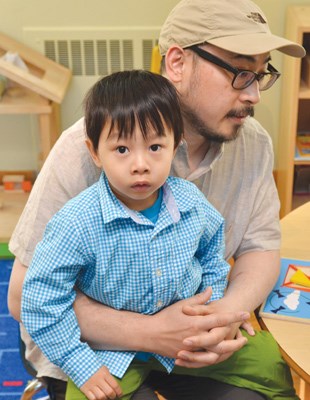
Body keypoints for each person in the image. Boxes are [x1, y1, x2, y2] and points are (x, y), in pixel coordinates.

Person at [7, 0, 305, 399]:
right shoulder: (80, 149)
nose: (253, 95)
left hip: (193, 337)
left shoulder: (253, 143)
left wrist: (220, 315)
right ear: (178, 63)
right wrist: (152, 332)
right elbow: (23, 294)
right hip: (88, 346)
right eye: (239, 72)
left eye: (262, 73)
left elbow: (260, 249)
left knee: (266, 384)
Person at [21, 69, 234, 400]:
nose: (140, 164)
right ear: (95, 152)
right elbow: (39, 302)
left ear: (175, 144)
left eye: (154, 147)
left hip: (183, 347)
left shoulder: (192, 203)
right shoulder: (76, 222)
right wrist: (81, 364)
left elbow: (212, 256)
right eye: (121, 149)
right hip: (108, 355)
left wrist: (213, 308)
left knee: (265, 373)